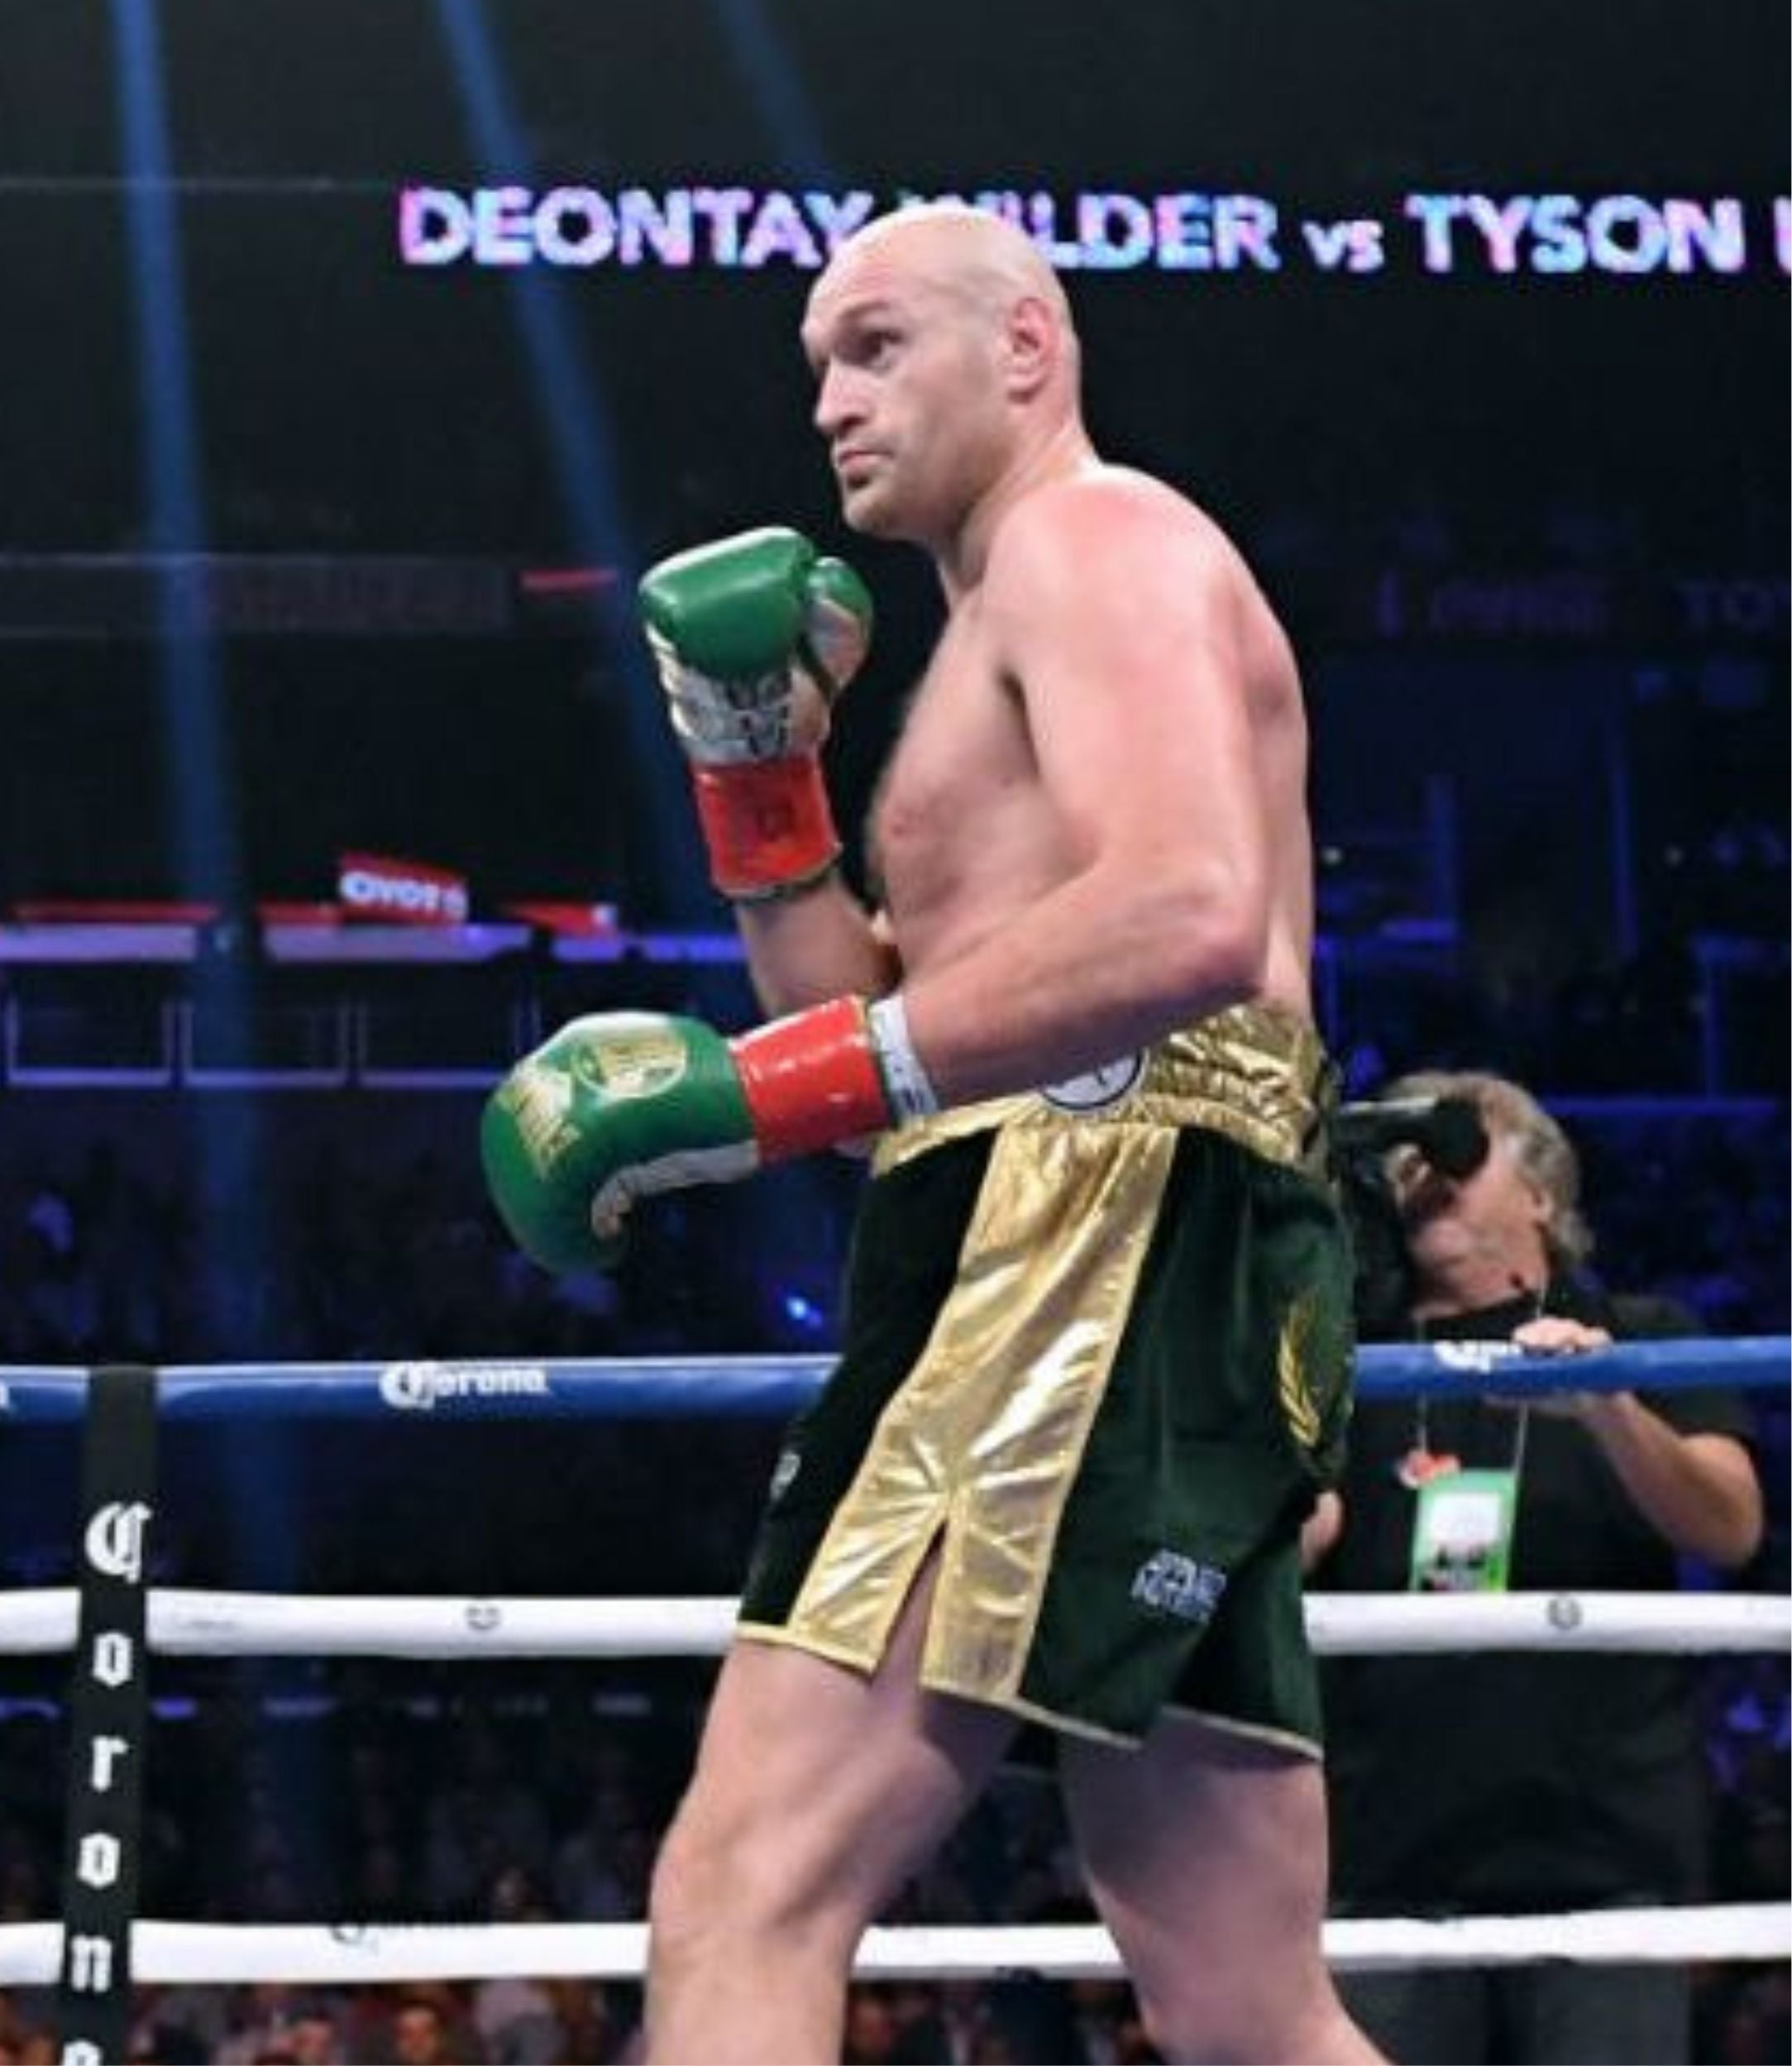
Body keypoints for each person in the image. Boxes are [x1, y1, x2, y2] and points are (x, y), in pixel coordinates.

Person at [480, 203, 1376, 2060]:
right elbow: (891, 1021)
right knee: (1241, 2002)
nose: (826, 400)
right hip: (1129, 1227)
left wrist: (754, 1093)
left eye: (873, 346)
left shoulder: (1093, 538)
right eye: (813, 363)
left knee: (745, 1890)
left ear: (1025, 349)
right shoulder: (983, 629)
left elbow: (1188, 915)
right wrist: (757, 786)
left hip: (1081, 1219)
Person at [1305, 1069, 1762, 2063]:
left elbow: (1728, 1524)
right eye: (1407, 1158)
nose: (1424, 1170)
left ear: (1542, 1195)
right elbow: (1302, 1531)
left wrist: (1604, 1400)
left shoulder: (1640, 1337)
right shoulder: (1345, 1359)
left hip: (1599, 1848)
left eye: (1462, 1153)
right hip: (1389, 1850)